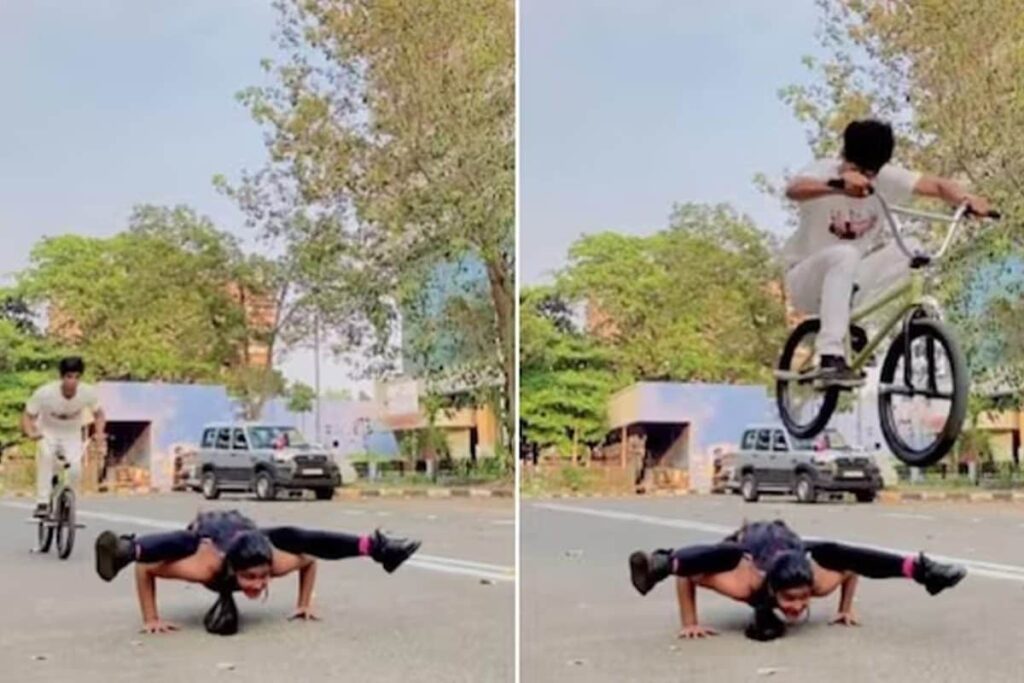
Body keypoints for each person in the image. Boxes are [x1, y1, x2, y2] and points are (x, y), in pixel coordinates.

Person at [783, 118, 994, 386]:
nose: (865, 180)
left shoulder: (886, 178)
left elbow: (938, 186)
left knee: (913, 246)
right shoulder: (825, 169)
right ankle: (829, 357)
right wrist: (837, 184)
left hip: (849, 283)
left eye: (871, 173)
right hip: (805, 280)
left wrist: (966, 199)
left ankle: (860, 325)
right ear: (844, 157)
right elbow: (794, 189)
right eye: (857, 169)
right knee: (845, 253)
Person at [628, 519, 966, 641]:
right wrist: (689, 621)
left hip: (786, 545)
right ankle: (664, 561)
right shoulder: (743, 582)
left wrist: (845, 608)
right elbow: (690, 576)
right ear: (773, 592)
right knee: (728, 554)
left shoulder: (815, 582)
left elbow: (851, 566)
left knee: (837, 550)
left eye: (800, 600)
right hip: (756, 543)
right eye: (791, 601)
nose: (798, 607)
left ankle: (923, 571)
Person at [94, 509, 421, 635]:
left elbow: (310, 556)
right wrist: (150, 617)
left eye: (262, 577)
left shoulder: (274, 562)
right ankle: (126, 549)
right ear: (234, 572)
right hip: (210, 531)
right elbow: (146, 570)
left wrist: (304, 602)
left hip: (250, 532)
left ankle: (378, 548)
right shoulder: (205, 567)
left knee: (293, 534)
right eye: (250, 578)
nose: (257, 584)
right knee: (189, 540)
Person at [21, 356, 106, 518]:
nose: (72, 382)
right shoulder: (45, 393)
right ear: (62, 377)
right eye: (68, 377)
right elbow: (27, 415)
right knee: (46, 457)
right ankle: (43, 502)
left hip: (71, 433)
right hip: (47, 431)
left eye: (76, 377)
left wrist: (100, 433)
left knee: (75, 469)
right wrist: (31, 432)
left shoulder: (87, 393)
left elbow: (99, 414)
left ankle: (68, 503)